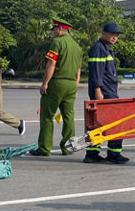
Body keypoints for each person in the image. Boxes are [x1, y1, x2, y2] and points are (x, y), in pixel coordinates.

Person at [31, 18, 81, 157]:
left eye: (54, 29)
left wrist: (45, 83)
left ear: (59, 29)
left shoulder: (57, 42)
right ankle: (68, 147)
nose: (53, 33)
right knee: (68, 117)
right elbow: (78, 69)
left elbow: (51, 64)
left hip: (57, 83)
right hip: (71, 84)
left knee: (47, 116)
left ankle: (44, 148)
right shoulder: (77, 47)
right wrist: (75, 86)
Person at [84, 22, 125, 164]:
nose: (115, 37)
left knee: (99, 124)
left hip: (109, 91)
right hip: (104, 92)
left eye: (117, 35)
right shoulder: (98, 49)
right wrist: (97, 91)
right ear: (104, 33)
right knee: (115, 122)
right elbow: (96, 71)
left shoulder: (106, 49)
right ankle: (111, 154)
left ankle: (94, 153)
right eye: (112, 34)